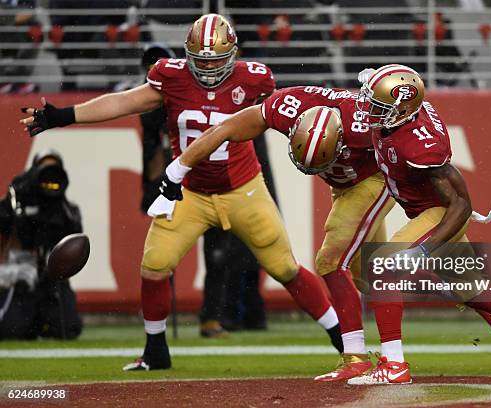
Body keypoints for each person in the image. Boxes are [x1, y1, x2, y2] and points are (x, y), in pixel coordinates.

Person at [20, 14, 342, 371]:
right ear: (187, 55)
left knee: (284, 268)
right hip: (187, 191)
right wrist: (64, 115)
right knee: (155, 265)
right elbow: (123, 102)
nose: (207, 69)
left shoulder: (254, 79)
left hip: (243, 188)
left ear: (233, 55)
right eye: (200, 60)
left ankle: (341, 336)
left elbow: (285, 111)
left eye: (215, 60)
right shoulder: (170, 77)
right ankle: (155, 351)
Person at [152, 84, 491, 382]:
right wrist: (178, 168)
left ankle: (356, 358)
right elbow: (226, 129)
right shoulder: (285, 107)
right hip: (345, 186)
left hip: (372, 179)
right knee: (367, 275)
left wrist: (427, 201)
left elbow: (407, 145)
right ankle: (468, 288)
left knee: (331, 259)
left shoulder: (364, 123)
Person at [341, 64, 491, 384]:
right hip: (426, 212)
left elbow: (461, 204)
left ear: (401, 109)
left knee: (383, 266)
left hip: (441, 214)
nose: (368, 109)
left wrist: (425, 250)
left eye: (378, 105)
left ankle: (394, 364)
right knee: (475, 290)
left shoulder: (420, 143)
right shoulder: (397, 117)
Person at [138, 42, 270, 337]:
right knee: (161, 256)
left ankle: (211, 315)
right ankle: (157, 320)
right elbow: (151, 147)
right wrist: (157, 183)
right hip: (176, 180)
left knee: (219, 254)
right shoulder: (156, 98)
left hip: (218, 181)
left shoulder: (195, 88)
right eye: (149, 67)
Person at [0, 150, 83, 340]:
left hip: (53, 280)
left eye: (54, 171)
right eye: (44, 171)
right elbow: (3, 223)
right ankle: (27, 321)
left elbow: (75, 238)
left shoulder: (66, 210)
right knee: (12, 331)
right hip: (20, 278)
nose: (49, 178)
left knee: (68, 329)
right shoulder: (17, 202)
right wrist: (17, 199)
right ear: (34, 172)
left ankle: (42, 323)